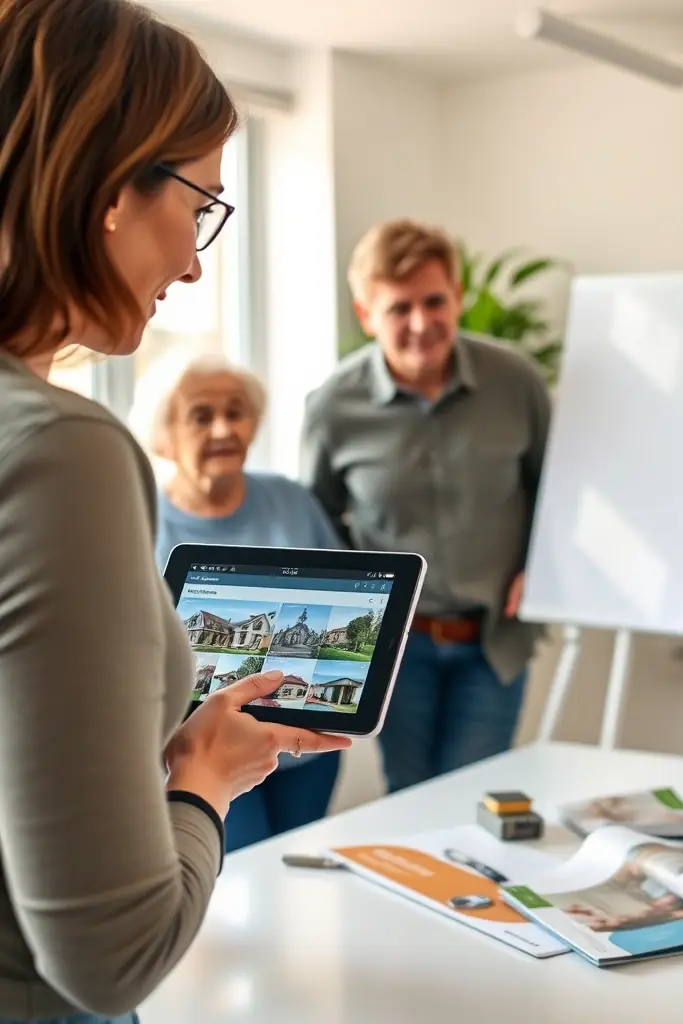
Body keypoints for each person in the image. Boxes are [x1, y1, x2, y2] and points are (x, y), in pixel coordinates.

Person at [0, 2, 351, 1023]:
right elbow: (112, 956)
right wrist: (203, 773)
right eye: (200, 207)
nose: (197, 260)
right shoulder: (62, 449)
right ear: (116, 189)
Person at [301, 218, 551, 793]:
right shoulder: (333, 407)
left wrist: (546, 566)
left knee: (474, 797)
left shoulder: (517, 383)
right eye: (398, 308)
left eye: (435, 301)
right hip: (395, 650)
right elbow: (318, 522)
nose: (421, 323)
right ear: (366, 315)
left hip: (493, 641)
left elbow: (556, 494)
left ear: (459, 297)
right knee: (410, 798)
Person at [130, 355, 344, 852]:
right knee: (237, 872)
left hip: (304, 748)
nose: (224, 428)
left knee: (294, 866)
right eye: (201, 415)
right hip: (208, 750)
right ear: (164, 434)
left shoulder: (292, 500)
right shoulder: (138, 522)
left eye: (236, 412)